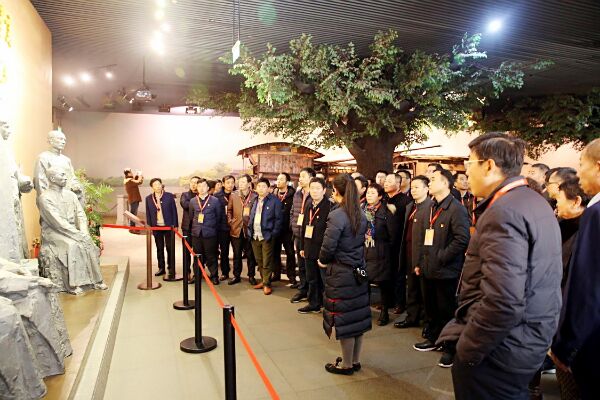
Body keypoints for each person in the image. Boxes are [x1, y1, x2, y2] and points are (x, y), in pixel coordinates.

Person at [437, 132, 562, 399]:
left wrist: (468, 349)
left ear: (489, 165)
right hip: (525, 340)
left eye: (469, 163)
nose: (466, 172)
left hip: (500, 350)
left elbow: (503, 300)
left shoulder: (504, 211)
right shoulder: (532, 200)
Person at [528, 178, 589, 400]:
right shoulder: (561, 225)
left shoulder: (587, 232)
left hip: (566, 314)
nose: (556, 205)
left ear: (576, 201)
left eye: (559, 200)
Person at [551, 138, 600, 400]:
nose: (579, 173)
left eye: (582, 165)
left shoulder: (595, 214)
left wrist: (566, 345)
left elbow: (586, 287)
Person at [413, 169, 469, 368]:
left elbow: (462, 239)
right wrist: (420, 262)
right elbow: (422, 237)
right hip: (428, 267)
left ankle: (450, 348)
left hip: (446, 270)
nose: (430, 182)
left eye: (433, 179)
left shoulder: (456, 208)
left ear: (446, 183)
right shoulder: (430, 207)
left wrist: (441, 257)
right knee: (431, 307)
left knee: (447, 309)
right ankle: (434, 338)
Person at [320, 174, 370, 375]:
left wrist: (322, 260)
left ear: (337, 191)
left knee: (344, 319)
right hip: (358, 271)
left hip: (341, 273)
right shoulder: (361, 212)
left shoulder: (337, 215)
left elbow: (328, 246)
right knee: (357, 317)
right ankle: (355, 360)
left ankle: (346, 365)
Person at [395, 175, 431, 329]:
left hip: (422, 253)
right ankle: (412, 317)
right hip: (409, 250)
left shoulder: (430, 207)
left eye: (417, 187)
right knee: (412, 287)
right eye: (413, 187)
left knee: (424, 290)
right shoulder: (411, 206)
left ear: (426, 189)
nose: (414, 190)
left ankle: (427, 321)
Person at [363, 183, 399, 326]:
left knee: (383, 284)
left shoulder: (387, 211)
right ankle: (364, 310)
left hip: (381, 252)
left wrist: (386, 249)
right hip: (365, 251)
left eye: (373, 193)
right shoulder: (362, 210)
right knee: (364, 282)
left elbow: (393, 236)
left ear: (380, 196)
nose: (369, 195)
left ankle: (384, 312)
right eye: (368, 193)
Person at [298, 177, 332, 313]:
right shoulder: (308, 205)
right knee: (311, 278)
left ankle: (328, 305)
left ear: (324, 190)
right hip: (308, 247)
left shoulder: (329, 206)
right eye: (312, 188)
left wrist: (327, 252)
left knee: (325, 280)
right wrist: (302, 247)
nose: (315, 191)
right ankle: (313, 303)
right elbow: (303, 227)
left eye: (318, 188)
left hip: (322, 249)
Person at [248, 178, 282, 295]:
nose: (261, 188)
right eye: (259, 186)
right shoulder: (254, 200)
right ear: (256, 188)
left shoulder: (274, 201)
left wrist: (273, 234)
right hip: (255, 235)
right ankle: (264, 280)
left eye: (264, 186)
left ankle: (267, 284)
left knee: (267, 261)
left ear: (268, 188)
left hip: (267, 236)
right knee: (259, 260)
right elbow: (250, 216)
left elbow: (279, 220)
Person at [189, 178, 224, 285]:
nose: (201, 188)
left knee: (211, 256)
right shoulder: (193, 201)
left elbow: (219, 216)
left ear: (208, 188)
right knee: (197, 256)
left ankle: (214, 276)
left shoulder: (215, 201)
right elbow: (191, 216)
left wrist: (212, 227)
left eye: (204, 186)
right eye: (199, 186)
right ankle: (197, 275)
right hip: (197, 233)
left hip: (210, 233)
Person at [383, 173, 408, 314]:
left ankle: (400, 303)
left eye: (389, 181)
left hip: (399, 243)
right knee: (387, 272)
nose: (386, 183)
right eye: (385, 181)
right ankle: (388, 301)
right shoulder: (384, 199)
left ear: (398, 184)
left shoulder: (405, 201)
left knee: (398, 274)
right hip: (385, 243)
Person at [290, 167, 316, 302]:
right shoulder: (297, 193)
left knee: (310, 265)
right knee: (300, 265)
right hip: (298, 234)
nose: (300, 179)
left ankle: (313, 292)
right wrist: (292, 225)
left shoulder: (315, 194)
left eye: (303, 176)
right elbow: (293, 211)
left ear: (311, 178)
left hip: (310, 236)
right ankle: (303, 289)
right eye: (299, 176)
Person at [227, 174, 258, 285]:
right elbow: (229, 210)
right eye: (239, 182)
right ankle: (236, 276)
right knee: (237, 254)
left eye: (243, 182)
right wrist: (230, 221)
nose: (240, 184)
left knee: (250, 255)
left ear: (249, 184)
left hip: (249, 230)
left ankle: (251, 276)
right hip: (236, 229)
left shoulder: (255, 196)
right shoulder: (234, 195)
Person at [145, 178, 179, 278]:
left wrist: (175, 225)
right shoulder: (148, 198)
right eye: (155, 185)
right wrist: (150, 226)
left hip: (169, 226)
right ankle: (161, 268)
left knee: (170, 248)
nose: (158, 186)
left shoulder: (169, 196)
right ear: (152, 187)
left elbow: (174, 211)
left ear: (161, 185)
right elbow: (148, 213)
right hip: (156, 227)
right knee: (159, 248)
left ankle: (171, 268)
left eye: (159, 184)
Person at [272, 173, 296, 284]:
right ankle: (276, 274)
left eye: (281, 179)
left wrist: (292, 225)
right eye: (277, 179)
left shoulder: (293, 195)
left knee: (290, 253)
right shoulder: (273, 194)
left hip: (287, 229)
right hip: (275, 229)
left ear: (287, 182)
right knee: (275, 252)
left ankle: (291, 275)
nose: (278, 181)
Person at [214, 175, 235, 281]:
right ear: (223, 184)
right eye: (228, 182)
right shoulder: (217, 196)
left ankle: (237, 274)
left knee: (237, 252)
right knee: (224, 251)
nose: (230, 185)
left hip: (235, 227)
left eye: (232, 182)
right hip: (222, 228)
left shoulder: (237, 194)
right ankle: (225, 272)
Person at [180, 176, 200, 281]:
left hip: (198, 228)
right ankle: (186, 272)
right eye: (192, 182)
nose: (193, 184)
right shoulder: (185, 195)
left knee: (197, 252)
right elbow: (185, 205)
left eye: (196, 182)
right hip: (187, 227)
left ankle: (197, 273)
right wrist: (198, 203)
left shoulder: (203, 196)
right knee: (186, 251)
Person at [123, 168, 143, 233]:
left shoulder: (129, 180)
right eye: (131, 172)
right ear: (128, 173)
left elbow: (136, 181)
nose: (132, 173)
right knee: (133, 214)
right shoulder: (129, 181)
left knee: (133, 214)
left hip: (133, 199)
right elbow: (139, 182)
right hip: (134, 199)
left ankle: (132, 228)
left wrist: (138, 175)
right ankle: (132, 229)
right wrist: (140, 175)